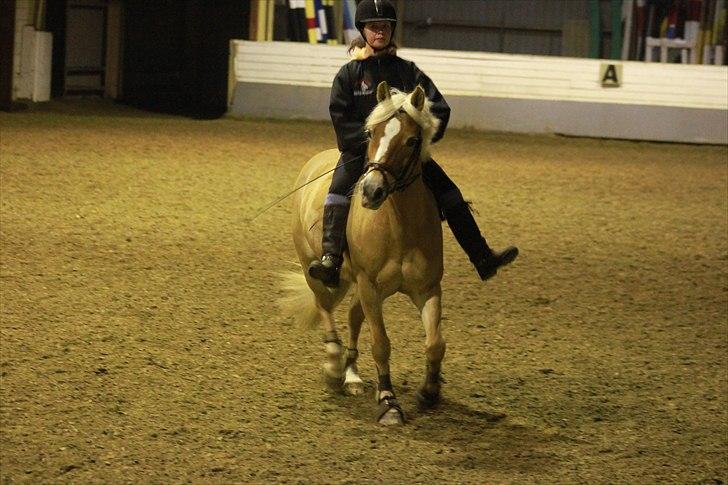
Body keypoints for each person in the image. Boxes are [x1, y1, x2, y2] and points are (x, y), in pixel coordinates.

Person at [308, 0, 518, 288]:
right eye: (374, 27)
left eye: (385, 27)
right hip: (362, 152)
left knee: (451, 194)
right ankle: (331, 258)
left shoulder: (409, 71)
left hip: (405, 156)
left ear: (392, 30)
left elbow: (440, 110)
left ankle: (482, 256)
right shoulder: (349, 75)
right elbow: (340, 118)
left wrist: (418, 144)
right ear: (363, 31)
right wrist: (374, 143)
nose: (380, 32)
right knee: (338, 189)